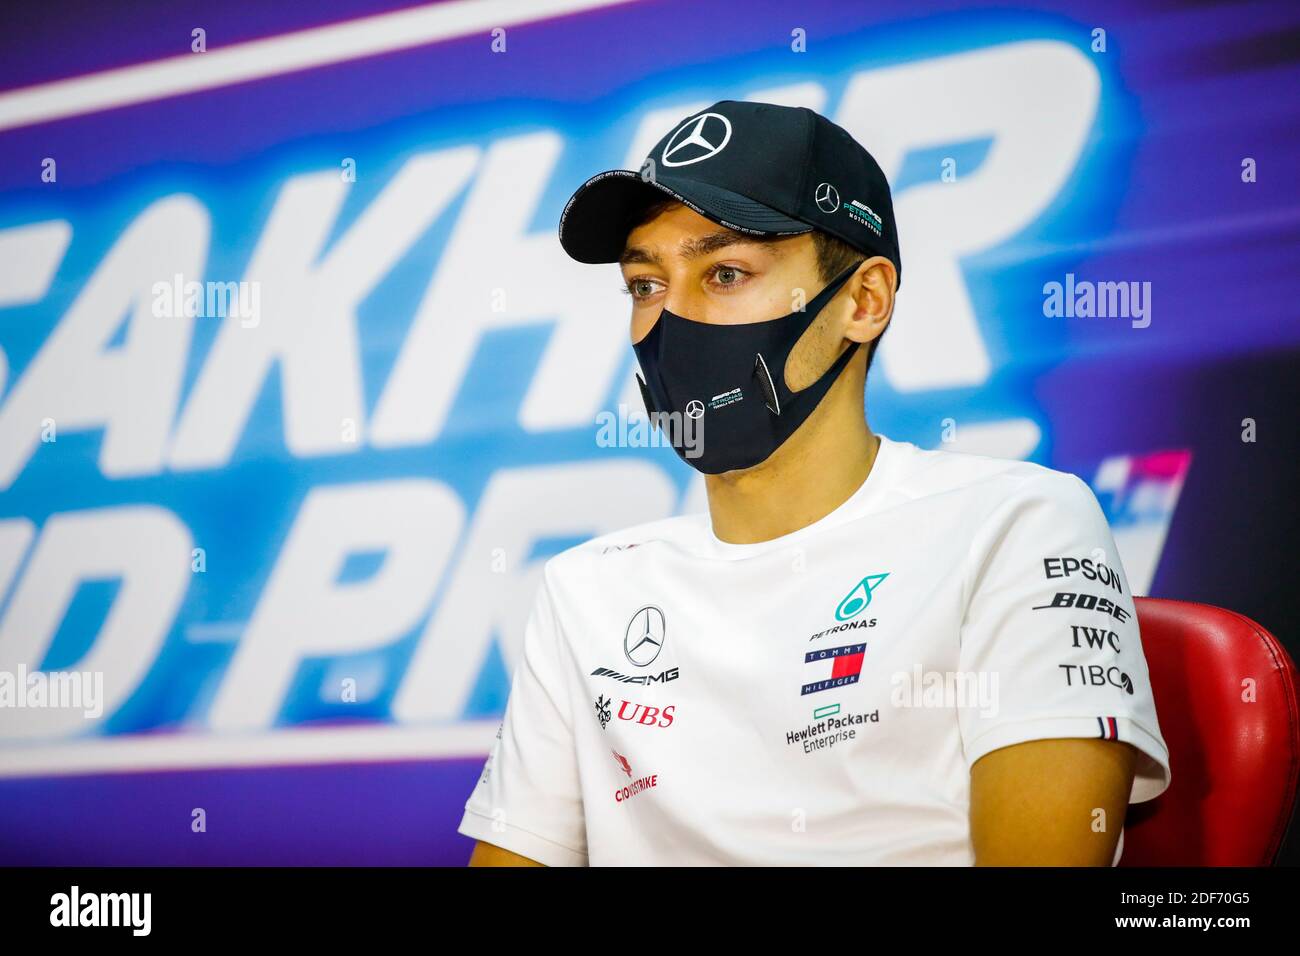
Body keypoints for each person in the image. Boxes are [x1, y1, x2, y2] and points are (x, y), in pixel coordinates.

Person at [457, 100, 1170, 866]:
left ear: (863, 302)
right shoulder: (584, 591)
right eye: (644, 284)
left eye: (725, 273)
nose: (672, 319)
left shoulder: (1015, 526)